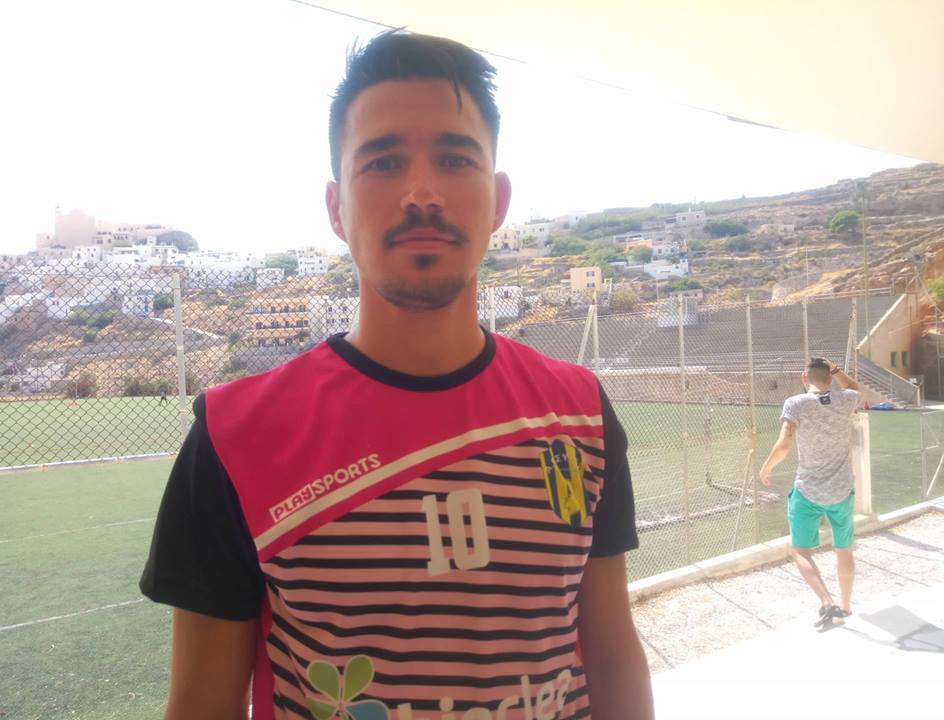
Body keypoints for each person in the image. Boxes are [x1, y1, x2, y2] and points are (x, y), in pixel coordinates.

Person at [140, 31, 653, 720]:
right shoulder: (234, 435)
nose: (421, 192)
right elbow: (202, 704)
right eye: (382, 162)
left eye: (454, 158)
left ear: (498, 200)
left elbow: (612, 654)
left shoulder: (580, 412)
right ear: (336, 209)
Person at [759, 356, 861, 628]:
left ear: (804, 378)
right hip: (841, 490)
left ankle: (826, 602)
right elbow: (855, 387)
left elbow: (785, 442)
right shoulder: (846, 399)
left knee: (801, 550)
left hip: (808, 490)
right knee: (844, 549)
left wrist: (767, 466)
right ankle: (846, 607)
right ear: (829, 378)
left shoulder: (796, 403)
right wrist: (837, 370)